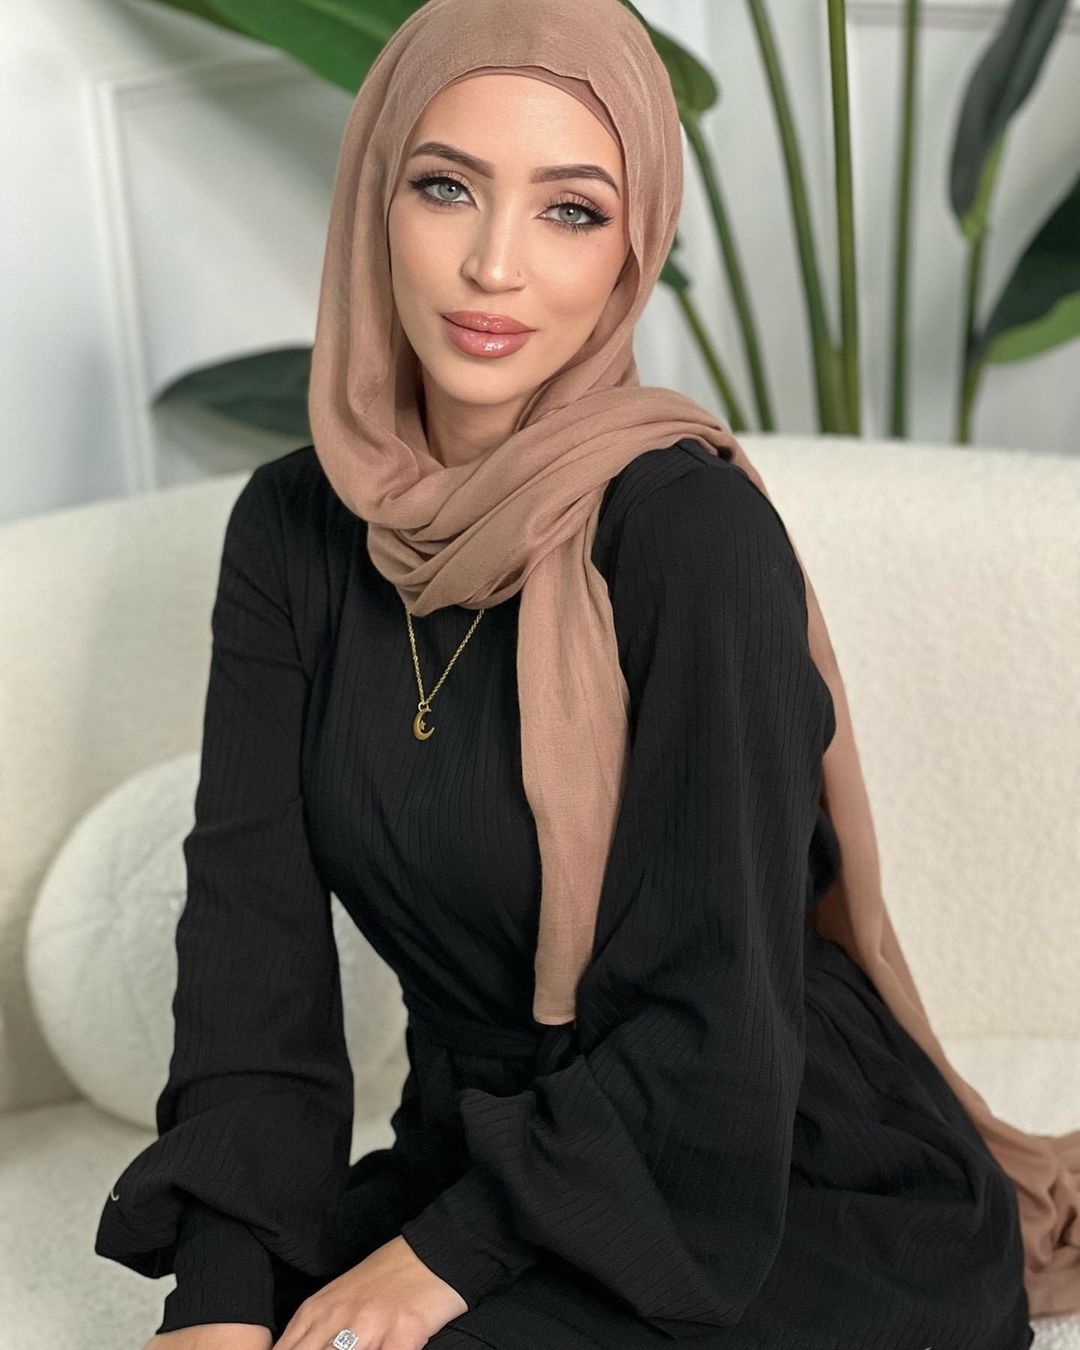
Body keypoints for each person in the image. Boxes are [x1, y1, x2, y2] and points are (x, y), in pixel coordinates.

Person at [95, 1, 1080, 1347]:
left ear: (632, 249)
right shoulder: (292, 531)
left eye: (570, 210)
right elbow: (249, 963)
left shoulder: (691, 535)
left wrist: (443, 1261)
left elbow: (716, 1007)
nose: (494, 264)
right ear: (377, 199)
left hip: (773, 1172)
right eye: (447, 187)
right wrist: (212, 1300)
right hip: (490, 1148)